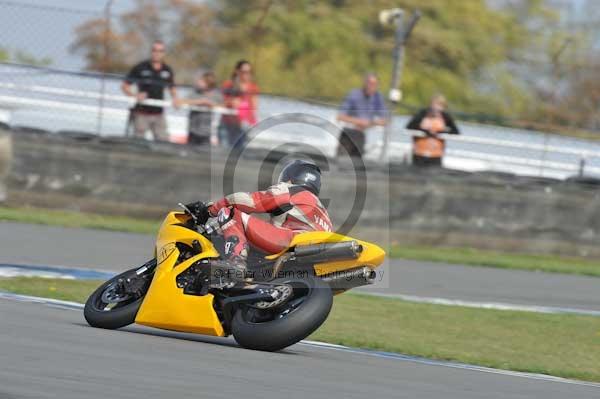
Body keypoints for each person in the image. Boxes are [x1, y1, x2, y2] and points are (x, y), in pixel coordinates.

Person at [207, 160, 332, 280]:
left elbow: (249, 201)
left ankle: (236, 262)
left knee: (230, 213)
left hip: (291, 241)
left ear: (290, 177)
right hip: (317, 255)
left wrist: (211, 209)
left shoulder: (293, 190)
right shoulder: (323, 212)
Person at [121, 40, 178, 142]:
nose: (157, 53)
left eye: (160, 51)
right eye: (154, 50)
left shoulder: (167, 70)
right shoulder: (140, 67)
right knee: (137, 143)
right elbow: (125, 86)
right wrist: (135, 95)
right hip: (141, 113)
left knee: (163, 142)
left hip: (158, 114)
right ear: (151, 51)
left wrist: (175, 99)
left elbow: (172, 88)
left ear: (164, 53)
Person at [336, 74, 387, 158]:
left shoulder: (377, 98)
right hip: (348, 133)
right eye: (369, 83)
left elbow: (385, 120)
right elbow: (340, 116)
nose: (371, 86)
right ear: (365, 83)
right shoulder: (354, 94)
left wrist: (371, 123)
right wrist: (359, 122)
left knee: (357, 166)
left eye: (374, 84)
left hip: (361, 136)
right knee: (341, 163)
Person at [406, 94, 460, 167]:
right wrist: (425, 132)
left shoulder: (445, 116)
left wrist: (440, 133)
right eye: (434, 104)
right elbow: (410, 126)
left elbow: (456, 131)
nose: (436, 107)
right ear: (430, 104)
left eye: (439, 105)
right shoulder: (422, 113)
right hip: (419, 153)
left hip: (436, 155)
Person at [175, 71, 223, 146]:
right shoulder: (195, 92)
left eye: (202, 81)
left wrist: (211, 104)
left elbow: (222, 105)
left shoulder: (216, 95)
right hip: (193, 130)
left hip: (206, 132)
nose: (198, 82)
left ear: (208, 83)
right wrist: (200, 102)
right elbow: (182, 101)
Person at [221, 60, 259, 150]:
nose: (247, 75)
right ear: (237, 71)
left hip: (244, 126)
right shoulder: (228, 85)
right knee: (223, 153)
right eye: (244, 72)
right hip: (228, 124)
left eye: (250, 72)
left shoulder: (253, 87)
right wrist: (231, 102)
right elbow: (221, 102)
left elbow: (254, 107)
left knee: (238, 156)